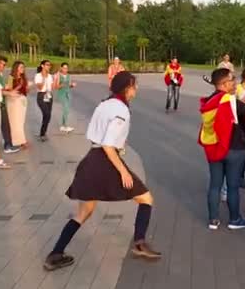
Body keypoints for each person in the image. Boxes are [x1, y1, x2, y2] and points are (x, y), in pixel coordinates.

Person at [43, 71, 160, 271]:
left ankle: (55, 254)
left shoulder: (104, 104)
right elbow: (108, 144)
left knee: (84, 212)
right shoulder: (121, 110)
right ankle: (140, 243)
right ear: (126, 88)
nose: (136, 89)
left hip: (91, 160)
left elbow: (98, 137)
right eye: (134, 85)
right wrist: (123, 170)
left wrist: (119, 145)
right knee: (146, 199)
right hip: (105, 161)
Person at [199, 68, 245, 231]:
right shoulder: (230, 100)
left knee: (215, 185)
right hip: (234, 148)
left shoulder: (207, 101)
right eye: (232, 79)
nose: (235, 82)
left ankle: (213, 220)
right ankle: (235, 219)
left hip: (214, 147)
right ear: (224, 83)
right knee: (232, 186)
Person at [0, 56, 19, 153]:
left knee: (3, 125)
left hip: (2, 102)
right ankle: (7, 146)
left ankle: (7, 145)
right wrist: (9, 93)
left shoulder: (0, 74)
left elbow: (3, 88)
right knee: (1, 125)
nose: (4, 67)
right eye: (3, 65)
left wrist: (10, 87)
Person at [4, 61, 29, 149]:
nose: (23, 69)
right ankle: (20, 141)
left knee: (21, 122)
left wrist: (27, 87)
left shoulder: (23, 77)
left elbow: (26, 90)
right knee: (15, 121)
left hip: (22, 100)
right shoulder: (11, 77)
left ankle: (20, 140)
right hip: (14, 101)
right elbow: (9, 89)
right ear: (16, 68)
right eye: (21, 67)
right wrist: (14, 88)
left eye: (23, 67)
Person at [35, 60, 54, 142]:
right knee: (46, 113)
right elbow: (39, 87)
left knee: (48, 116)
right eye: (47, 65)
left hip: (49, 95)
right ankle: (42, 134)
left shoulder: (50, 76)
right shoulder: (38, 75)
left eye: (50, 65)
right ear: (42, 66)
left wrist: (56, 81)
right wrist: (43, 77)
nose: (49, 66)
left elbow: (52, 87)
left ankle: (43, 132)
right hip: (41, 95)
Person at [55, 62, 76, 132]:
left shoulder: (69, 76)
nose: (65, 69)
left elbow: (69, 85)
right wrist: (62, 84)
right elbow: (57, 86)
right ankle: (65, 126)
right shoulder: (58, 75)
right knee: (66, 108)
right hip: (61, 93)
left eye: (66, 68)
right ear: (61, 68)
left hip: (68, 93)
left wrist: (72, 85)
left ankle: (63, 126)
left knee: (66, 110)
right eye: (64, 68)